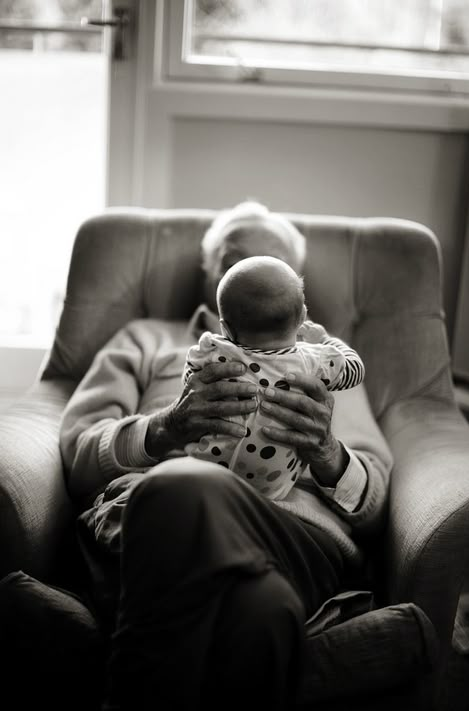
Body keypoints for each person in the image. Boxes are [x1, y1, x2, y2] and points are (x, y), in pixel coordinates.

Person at [59, 200, 393, 710]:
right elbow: (78, 449)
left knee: (184, 489)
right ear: (210, 269)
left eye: (273, 261)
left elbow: (374, 498)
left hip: (289, 534)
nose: (254, 271)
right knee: (257, 603)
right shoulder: (150, 339)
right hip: (150, 516)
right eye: (237, 256)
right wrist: (165, 429)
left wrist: (325, 450)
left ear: (297, 290)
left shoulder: (321, 359)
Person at [183, 254, 365, 500]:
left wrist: (329, 453)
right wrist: (325, 340)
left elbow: (189, 383)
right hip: (271, 493)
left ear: (225, 328)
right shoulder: (317, 362)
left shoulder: (212, 351)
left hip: (199, 478)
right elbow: (355, 370)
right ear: (302, 317)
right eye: (235, 257)